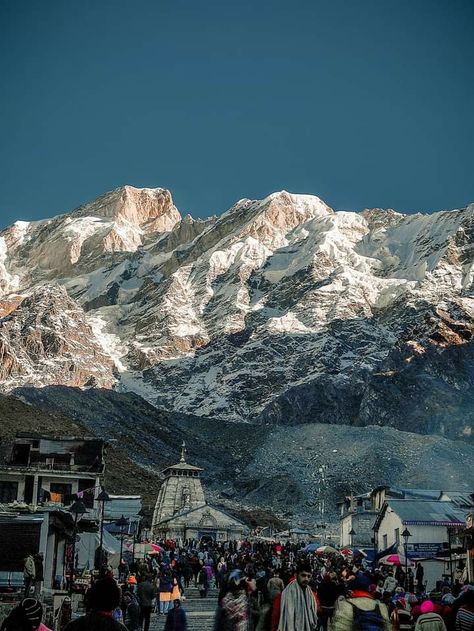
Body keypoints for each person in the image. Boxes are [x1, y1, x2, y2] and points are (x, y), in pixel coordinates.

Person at [272, 562, 318, 631]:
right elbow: (275, 619)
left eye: (309, 576)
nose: (306, 579)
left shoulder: (312, 595)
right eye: (303, 575)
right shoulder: (284, 596)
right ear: (296, 575)